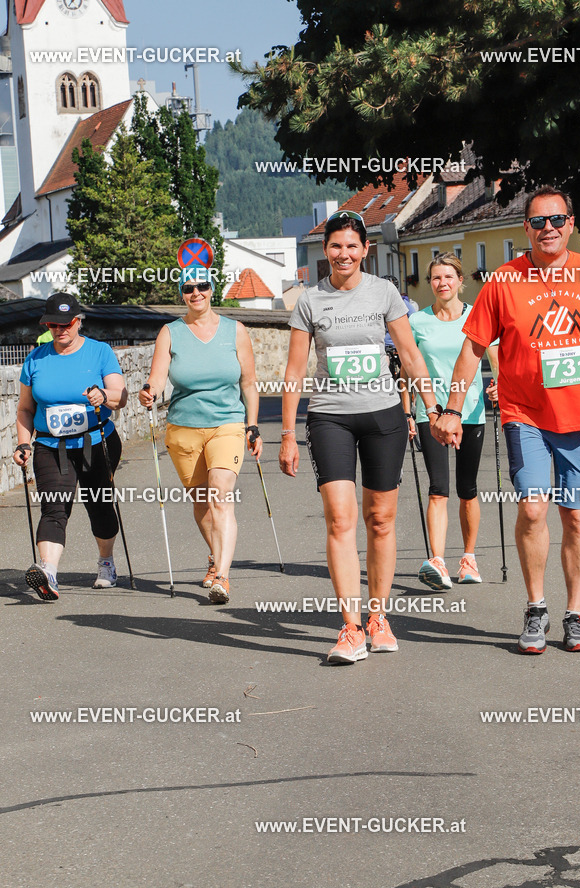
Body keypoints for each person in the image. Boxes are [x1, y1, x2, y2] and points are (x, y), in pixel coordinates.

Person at [431, 186, 580, 653]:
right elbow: (474, 347)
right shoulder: (505, 281)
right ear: (526, 228)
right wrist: (453, 408)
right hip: (523, 413)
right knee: (533, 508)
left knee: (575, 516)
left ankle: (574, 614)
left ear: (571, 224)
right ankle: (536, 607)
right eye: (537, 222)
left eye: (556, 220)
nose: (547, 228)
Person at [279, 209, 435, 665]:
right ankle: (350, 628)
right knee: (340, 519)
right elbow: (293, 371)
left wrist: (437, 409)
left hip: (383, 416)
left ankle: (378, 617)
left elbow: (409, 354)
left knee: (381, 520)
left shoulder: (384, 292)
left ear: (366, 249)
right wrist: (287, 433)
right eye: (335, 246)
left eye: (352, 245)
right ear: (324, 251)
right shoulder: (310, 301)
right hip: (330, 418)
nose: (343, 253)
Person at [139, 265, 262, 604]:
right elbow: (159, 379)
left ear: (212, 289)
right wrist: (149, 391)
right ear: (181, 293)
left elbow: (249, 384)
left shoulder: (235, 330)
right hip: (184, 428)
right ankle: (214, 555)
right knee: (201, 502)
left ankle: (222, 576)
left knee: (221, 495)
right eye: (188, 288)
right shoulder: (171, 332)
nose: (196, 293)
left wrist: (252, 425)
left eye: (202, 286)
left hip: (227, 424)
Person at [14, 292, 127, 600]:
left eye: (66, 324)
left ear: (78, 322)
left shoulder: (99, 352)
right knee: (54, 506)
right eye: (53, 324)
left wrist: (104, 395)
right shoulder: (36, 358)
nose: (60, 330)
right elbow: (25, 408)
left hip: (97, 441)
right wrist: (24, 443)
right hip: (51, 445)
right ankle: (48, 573)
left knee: (99, 504)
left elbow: (121, 394)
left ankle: (106, 563)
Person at [403, 254, 498, 589]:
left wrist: (498, 386)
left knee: (467, 489)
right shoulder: (417, 323)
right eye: (435, 278)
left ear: (461, 280)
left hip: (470, 412)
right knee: (438, 489)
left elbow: (495, 359)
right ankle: (438, 561)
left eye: (448, 277)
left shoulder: (478, 317)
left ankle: (468, 559)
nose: (442, 283)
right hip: (430, 414)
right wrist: (407, 411)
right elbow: (408, 371)